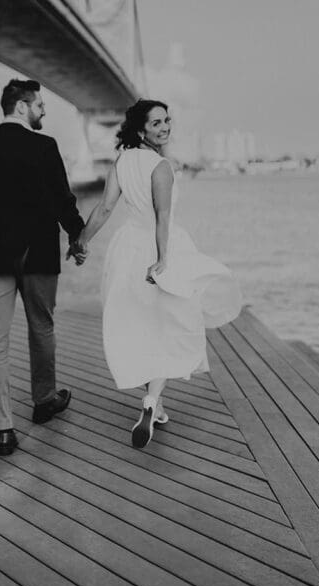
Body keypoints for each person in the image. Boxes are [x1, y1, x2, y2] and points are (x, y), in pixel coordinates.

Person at [74, 99, 241, 448]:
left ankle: (157, 405)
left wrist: (81, 242)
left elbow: (104, 208)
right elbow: (163, 217)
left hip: (126, 249)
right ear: (141, 130)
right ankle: (151, 402)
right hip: (159, 249)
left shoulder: (122, 161)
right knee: (169, 327)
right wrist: (163, 261)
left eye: (167, 120)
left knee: (138, 325)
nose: (165, 127)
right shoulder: (160, 166)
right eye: (156, 123)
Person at [0, 78, 86, 456]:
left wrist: (0, 230)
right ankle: (45, 400)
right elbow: (63, 200)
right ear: (21, 107)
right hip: (39, 253)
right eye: (40, 105)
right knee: (41, 327)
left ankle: (2, 428)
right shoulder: (45, 146)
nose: (44, 110)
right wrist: (77, 237)